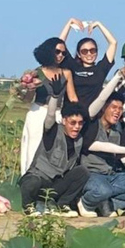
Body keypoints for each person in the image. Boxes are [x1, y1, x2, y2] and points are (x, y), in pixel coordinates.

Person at [77, 77, 125, 217]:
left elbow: (123, 160)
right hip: (92, 174)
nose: (117, 112)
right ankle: (86, 202)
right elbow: (97, 146)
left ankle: (109, 204)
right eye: (114, 107)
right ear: (104, 108)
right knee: (103, 190)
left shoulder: (118, 131)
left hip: (112, 175)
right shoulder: (91, 125)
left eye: (120, 109)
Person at [19, 83, 88, 217]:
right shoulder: (53, 131)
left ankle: (62, 204)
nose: (76, 127)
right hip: (40, 177)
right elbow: (50, 117)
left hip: (56, 183)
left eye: (80, 123)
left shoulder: (79, 140)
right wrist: (55, 97)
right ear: (64, 121)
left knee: (82, 172)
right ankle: (28, 206)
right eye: (73, 123)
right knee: (32, 182)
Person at [20, 37, 78, 175]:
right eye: (57, 52)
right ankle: (28, 179)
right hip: (38, 112)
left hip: (57, 113)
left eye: (63, 53)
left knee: (53, 150)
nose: (60, 56)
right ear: (49, 51)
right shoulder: (36, 73)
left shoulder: (66, 73)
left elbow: (73, 98)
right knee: (33, 149)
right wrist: (29, 88)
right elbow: (27, 99)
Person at [59, 18, 116, 109]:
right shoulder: (72, 66)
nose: (89, 54)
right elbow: (59, 45)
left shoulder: (101, 69)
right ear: (79, 54)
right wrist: (69, 23)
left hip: (92, 116)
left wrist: (98, 24)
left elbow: (113, 43)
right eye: (85, 51)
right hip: (71, 116)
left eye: (93, 50)